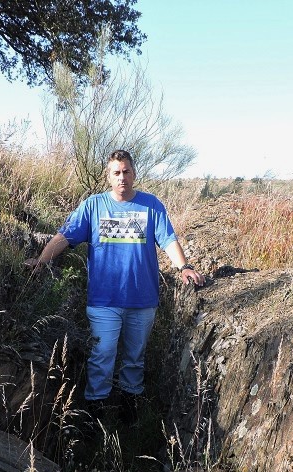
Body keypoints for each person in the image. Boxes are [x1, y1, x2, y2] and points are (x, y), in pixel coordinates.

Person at [27, 149, 204, 423]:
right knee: (103, 355)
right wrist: (41, 261)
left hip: (142, 299)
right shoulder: (93, 206)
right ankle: (95, 413)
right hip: (104, 301)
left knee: (135, 358)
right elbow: (65, 236)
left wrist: (184, 267)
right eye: (116, 173)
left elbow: (168, 239)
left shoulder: (151, 205)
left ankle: (129, 411)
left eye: (126, 171)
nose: (122, 177)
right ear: (108, 176)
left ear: (134, 174)